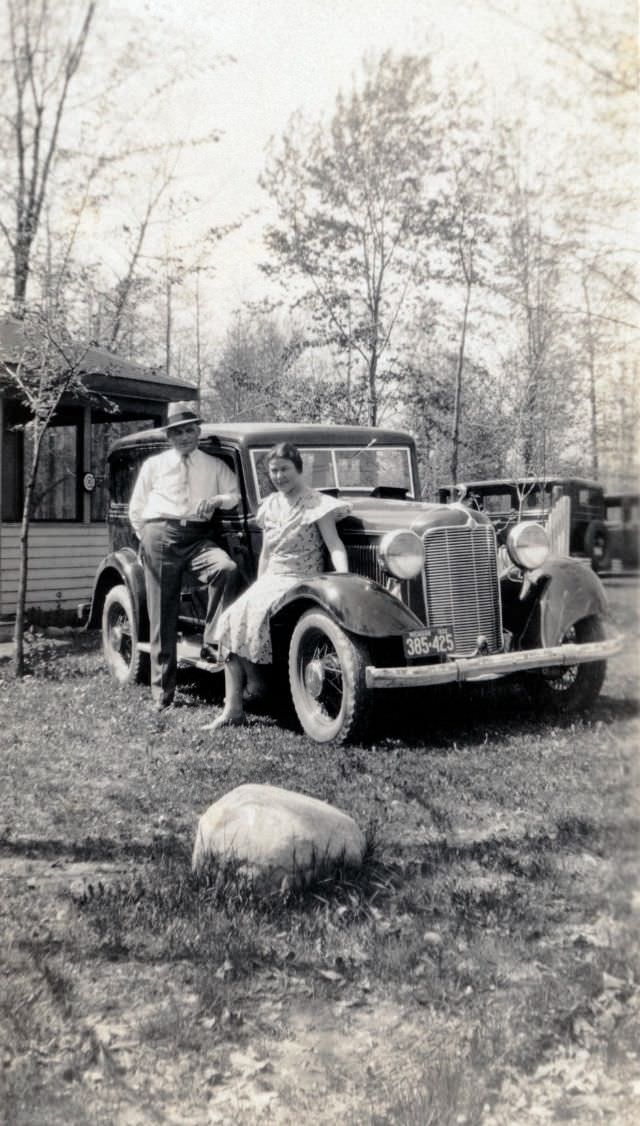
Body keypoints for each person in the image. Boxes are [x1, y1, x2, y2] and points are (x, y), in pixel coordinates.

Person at [204, 441, 350, 731]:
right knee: (231, 618)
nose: (279, 476)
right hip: (273, 578)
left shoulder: (316, 504)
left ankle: (259, 686)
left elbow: (334, 545)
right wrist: (259, 586)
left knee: (251, 618)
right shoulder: (270, 505)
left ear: (299, 469)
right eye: (274, 471)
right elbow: (268, 552)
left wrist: (345, 580)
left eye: (285, 469)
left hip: (301, 579)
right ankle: (234, 707)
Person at [129, 404, 241, 711]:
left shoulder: (213, 464)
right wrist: (148, 540)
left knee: (226, 569)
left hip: (197, 536)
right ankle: (162, 695)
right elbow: (137, 509)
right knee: (162, 614)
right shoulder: (155, 464)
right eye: (177, 432)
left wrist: (218, 499)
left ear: (198, 432)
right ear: (169, 436)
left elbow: (235, 495)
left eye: (189, 430)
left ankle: (211, 642)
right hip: (160, 534)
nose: (183, 437)